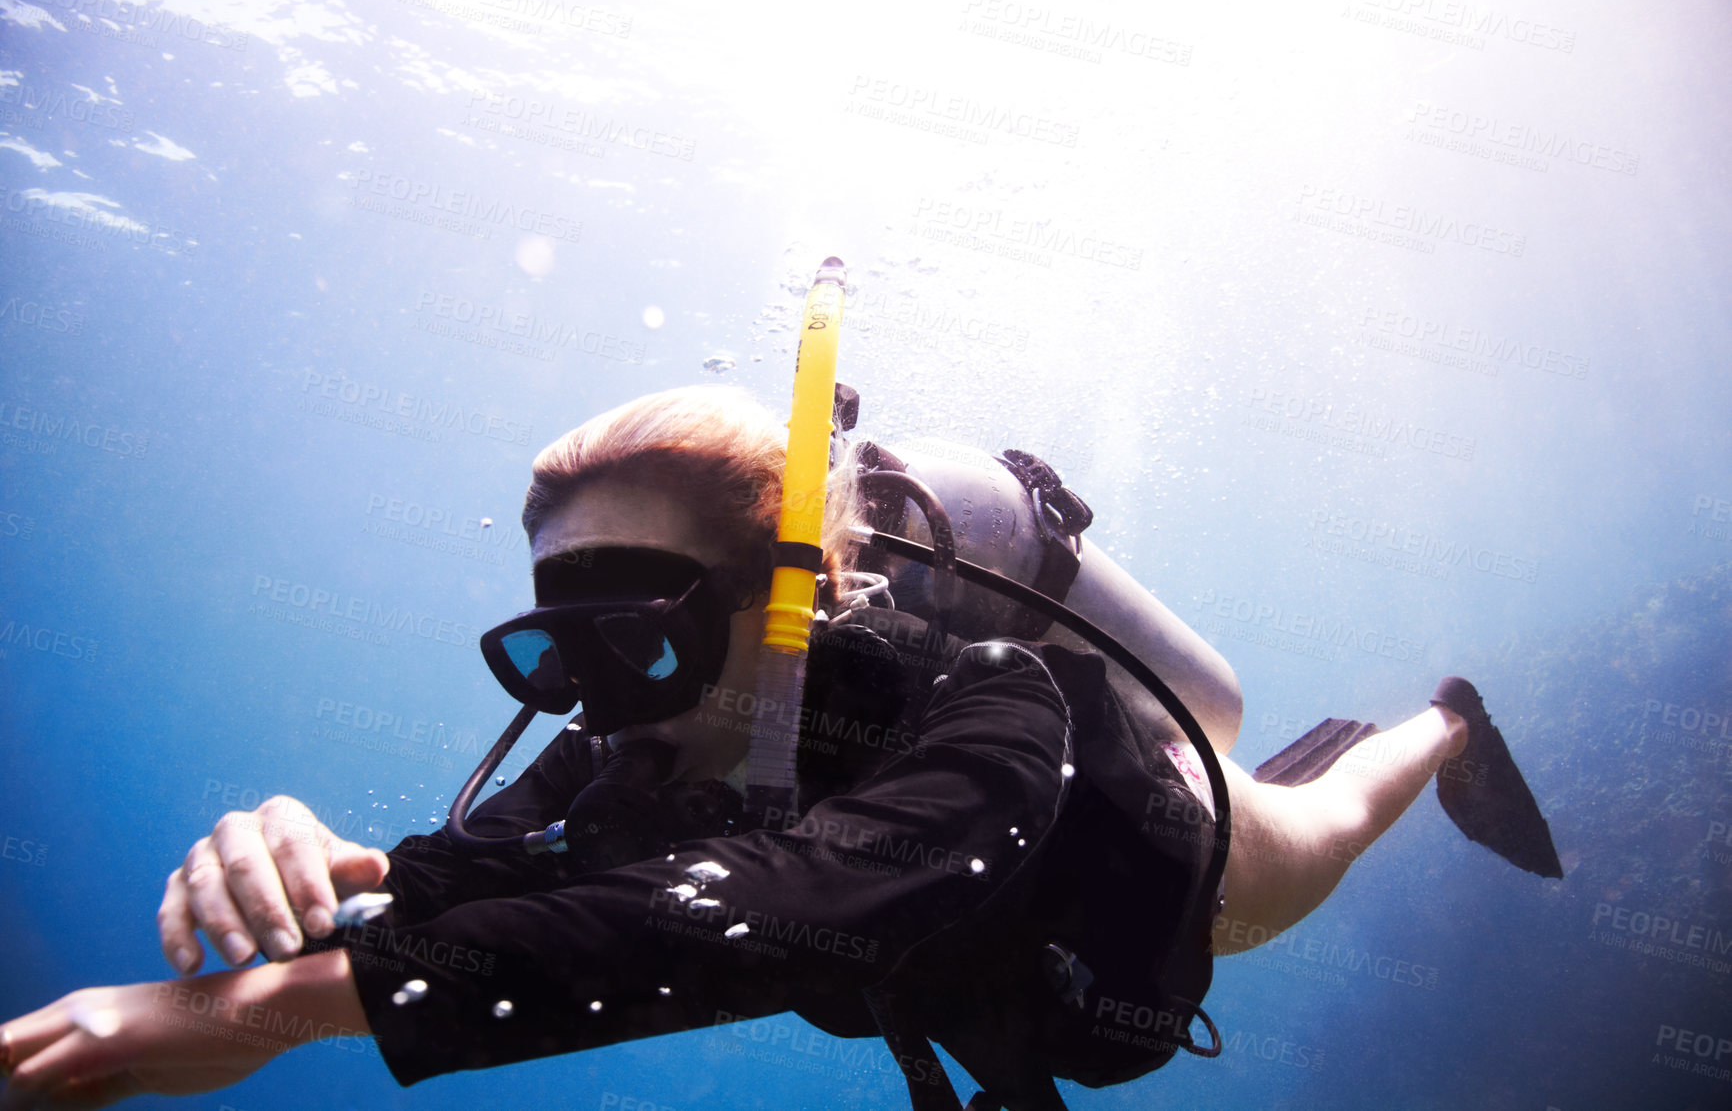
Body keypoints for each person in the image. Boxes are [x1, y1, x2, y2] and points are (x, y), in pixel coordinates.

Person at [0, 385, 1558, 1111]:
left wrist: (294, 1004)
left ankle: (1443, 720)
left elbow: (815, 895)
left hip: (1162, 898)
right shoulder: (637, 744)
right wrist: (280, 879)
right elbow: (450, 906)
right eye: (559, 651)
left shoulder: (992, 695)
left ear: (791, 605)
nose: (600, 705)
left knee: (1331, 812)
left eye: (646, 633)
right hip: (983, 999)